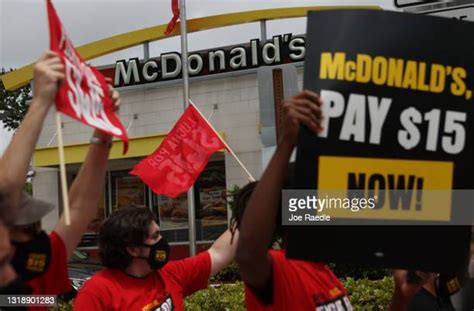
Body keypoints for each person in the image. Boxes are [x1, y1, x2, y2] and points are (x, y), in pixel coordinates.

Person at [234, 90, 429, 310]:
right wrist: (286, 143)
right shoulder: (283, 268)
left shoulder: (323, 274)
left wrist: (400, 298)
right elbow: (248, 253)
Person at [0, 50, 120, 308]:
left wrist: (103, 132)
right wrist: (40, 102)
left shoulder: (36, 269)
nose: (32, 236)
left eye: (33, 226)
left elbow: (78, 208)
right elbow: (6, 189)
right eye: (20, 228)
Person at [74, 206, 238, 310]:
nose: (162, 242)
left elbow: (218, 254)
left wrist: (248, 213)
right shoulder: (97, 292)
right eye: (155, 236)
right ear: (133, 249)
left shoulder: (170, 273)